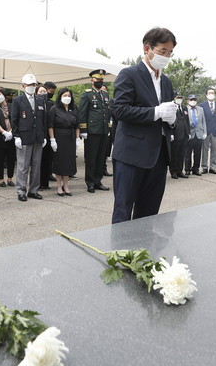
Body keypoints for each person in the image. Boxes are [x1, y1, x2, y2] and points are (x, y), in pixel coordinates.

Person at [111, 27, 177, 224]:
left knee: (148, 214)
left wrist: (172, 120)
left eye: (170, 53)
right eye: (162, 51)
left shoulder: (166, 81)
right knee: (123, 212)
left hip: (158, 156)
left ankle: (144, 245)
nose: (166, 57)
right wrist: (155, 112)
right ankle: (121, 245)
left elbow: (167, 114)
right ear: (147, 49)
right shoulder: (129, 74)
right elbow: (120, 110)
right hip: (131, 155)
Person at [11, 73, 47, 201]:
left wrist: (44, 136)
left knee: (36, 166)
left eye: (33, 84)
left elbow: (43, 120)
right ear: (23, 86)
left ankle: (33, 190)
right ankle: (21, 190)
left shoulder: (40, 100)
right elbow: (14, 119)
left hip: (38, 137)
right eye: (29, 84)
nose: (31, 86)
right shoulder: (17, 100)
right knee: (23, 166)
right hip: (24, 137)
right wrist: (16, 136)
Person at [78, 69, 111, 193]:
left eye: (101, 79)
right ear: (92, 80)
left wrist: (108, 127)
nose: (100, 81)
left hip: (103, 130)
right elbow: (82, 113)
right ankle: (90, 182)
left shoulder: (105, 94)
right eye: (98, 79)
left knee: (101, 158)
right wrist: (83, 129)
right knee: (91, 158)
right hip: (92, 131)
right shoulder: (87, 94)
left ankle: (98, 181)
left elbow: (107, 112)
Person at [48, 88, 80, 196]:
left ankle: (66, 185)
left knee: (68, 162)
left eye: (69, 96)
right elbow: (50, 125)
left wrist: (77, 139)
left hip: (71, 138)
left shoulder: (74, 108)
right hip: (59, 137)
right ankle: (59, 186)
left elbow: (77, 125)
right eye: (64, 95)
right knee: (60, 162)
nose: (67, 97)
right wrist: (52, 140)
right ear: (60, 97)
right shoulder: (54, 109)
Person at [0, 87, 16, 187]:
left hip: (12, 135)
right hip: (0, 136)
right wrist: (4, 132)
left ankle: (10, 178)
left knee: (11, 158)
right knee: (0, 159)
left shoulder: (12, 106)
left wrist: (11, 132)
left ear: (4, 95)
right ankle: (1, 179)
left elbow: (16, 119)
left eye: (0, 94)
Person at [200, 87, 216, 175]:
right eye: (209, 93)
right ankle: (204, 167)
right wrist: (202, 130)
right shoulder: (202, 105)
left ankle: (213, 167)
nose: (211, 94)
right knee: (204, 150)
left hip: (215, 131)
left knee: (214, 150)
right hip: (205, 131)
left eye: (212, 93)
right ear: (206, 95)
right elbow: (201, 119)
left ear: (215, 95)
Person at [184, 94, 207, 176]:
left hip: (199, 134)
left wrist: (205, 132)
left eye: (195, 100)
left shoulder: (200, 109)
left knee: (197, 153)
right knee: (188, 153)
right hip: (189, 134)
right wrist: (186, 133)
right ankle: (187, 169)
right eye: (191, 99)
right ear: (187, 101)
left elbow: (203, 121)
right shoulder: (185, 109)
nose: (193, 101)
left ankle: (196, 169)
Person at [169, 91, 190, 179]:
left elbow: (187, 121)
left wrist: (188, 132)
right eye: (178, 97)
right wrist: (171, 133)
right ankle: (173, 171)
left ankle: (179, 171)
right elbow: (169, 122)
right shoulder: (171, 108)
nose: (179, 99)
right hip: (175, 134)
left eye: (181, 98)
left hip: (184, 134)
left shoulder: (184, 108)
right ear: (174, 98)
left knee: (182, 154)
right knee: (175, 154)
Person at [36, 84, 53, 190]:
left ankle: (45, 183)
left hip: (49, 135)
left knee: (47, 159)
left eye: (44, 91)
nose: (43, 93)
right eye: (40, 91)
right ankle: (37, 183)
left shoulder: (50, 104)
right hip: (39, 135)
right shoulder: (34, 103)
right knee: (38, 161)